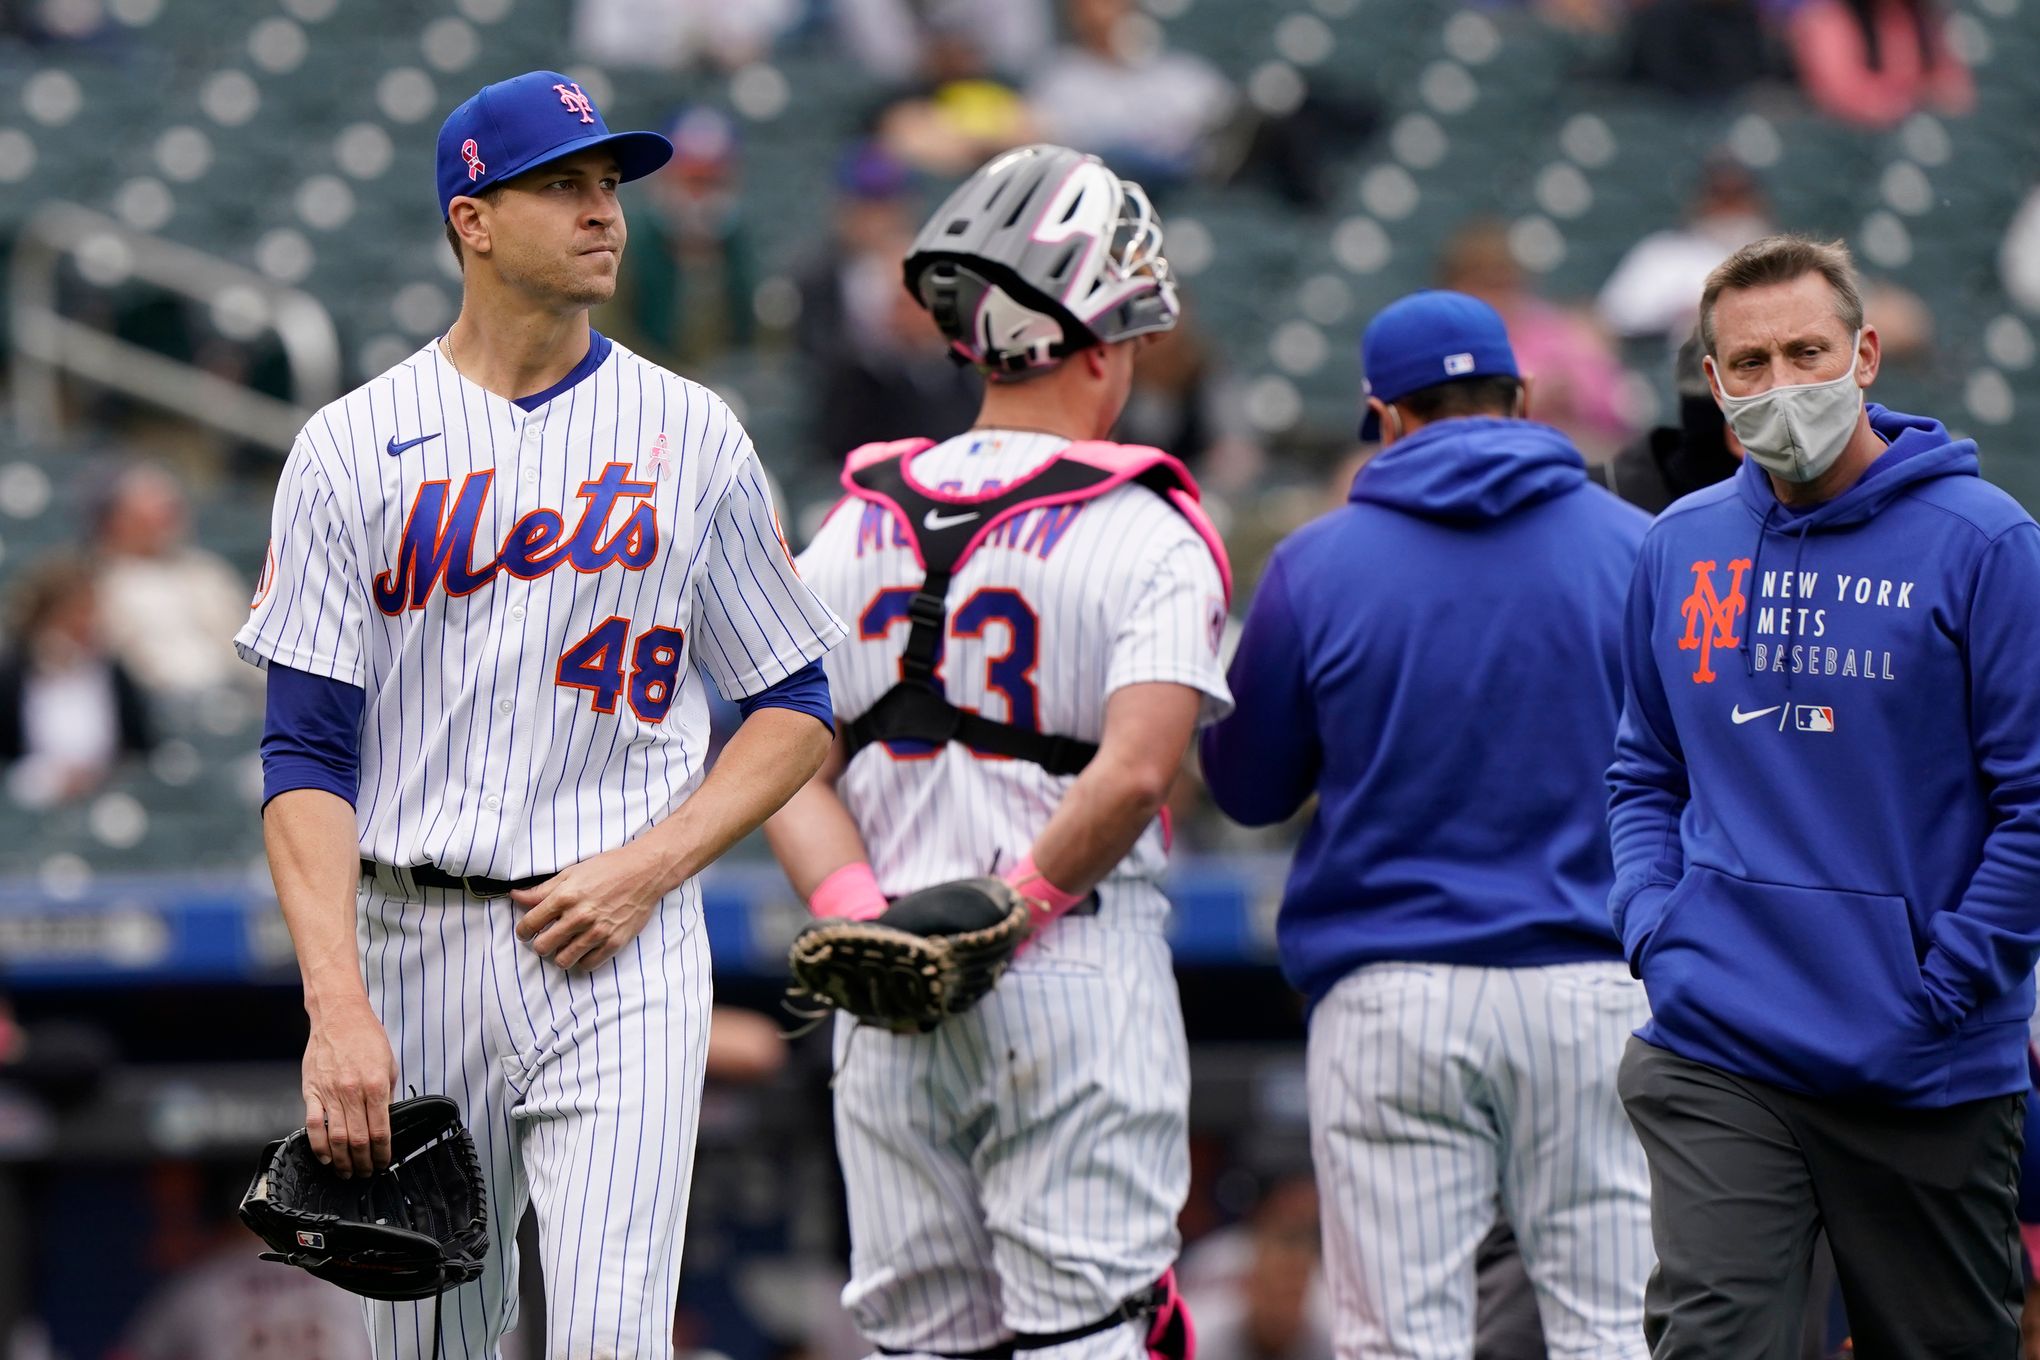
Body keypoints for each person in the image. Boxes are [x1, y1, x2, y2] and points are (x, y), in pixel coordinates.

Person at [235, 69, 845, 1357]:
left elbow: (794, 705)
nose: (603, 214)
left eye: (609, 186)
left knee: (614, 1336)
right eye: (562, 186)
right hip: (414, 938)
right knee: (432, 1348)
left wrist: (653, 865)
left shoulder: (694, 433)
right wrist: (335, 1005)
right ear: (472, 215)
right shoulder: (352, 445)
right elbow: (302, 754)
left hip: (619, 942)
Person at [764, 144, 1233, 1360]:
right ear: (1102, 339)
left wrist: (868, 914)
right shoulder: (1150, 529)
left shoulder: (853, 518)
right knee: (1089, 1331)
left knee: (923, 1341)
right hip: (1069, 968)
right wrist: (1005, 913)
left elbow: (782, 762)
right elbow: (1136, 772)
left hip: (886, 988)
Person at [1200, 290, 1654, 1360]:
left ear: (1384, 415)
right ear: (1523, 397)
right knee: (1616, 1332)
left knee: (1400, 1342)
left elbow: (1250, 788)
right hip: (1594, 983)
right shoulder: (1640, 547)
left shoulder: (1319, 562)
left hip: (1393, 993)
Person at [1608, 233, 2040, 1356]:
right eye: (1748, 363)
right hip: (1720, 1039)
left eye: (1807, 350)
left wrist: (1945, 988)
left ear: (1867, 354)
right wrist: (1659, 926)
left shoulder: (1986, 545)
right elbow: (1643, 769)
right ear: (1712, 381)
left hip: (1922, 1061)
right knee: (1716, 1342)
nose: (1780, 384)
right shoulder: (1676, 545)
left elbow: (2036, 805)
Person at [90, 463, 255, 698]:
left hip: (232, 698)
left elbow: (243, 648)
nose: (168, 524)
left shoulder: (208, 572)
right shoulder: (96, 583)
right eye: (155, 515)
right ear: (117, 521)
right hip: (153, 704)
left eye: (172, 513)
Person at [0, 553, 153, 807]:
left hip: (109, 797)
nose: (88, 622)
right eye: (78, 611)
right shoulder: (12, 675)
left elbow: (141, 747)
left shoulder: (114, 673)